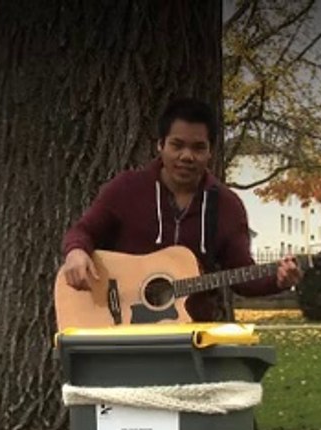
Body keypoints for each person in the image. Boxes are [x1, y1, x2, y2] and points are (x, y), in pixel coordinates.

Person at [60, 97, 302, 321]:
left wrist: (278, 280)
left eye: (198, 148)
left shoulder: (227, 206)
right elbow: (83, 230)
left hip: (189, 335)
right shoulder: (126, 189)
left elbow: (242, 277)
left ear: (210, 152)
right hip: (122, 330)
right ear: (160, 145)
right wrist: (76, 251)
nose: (187, 156)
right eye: (177, 145)